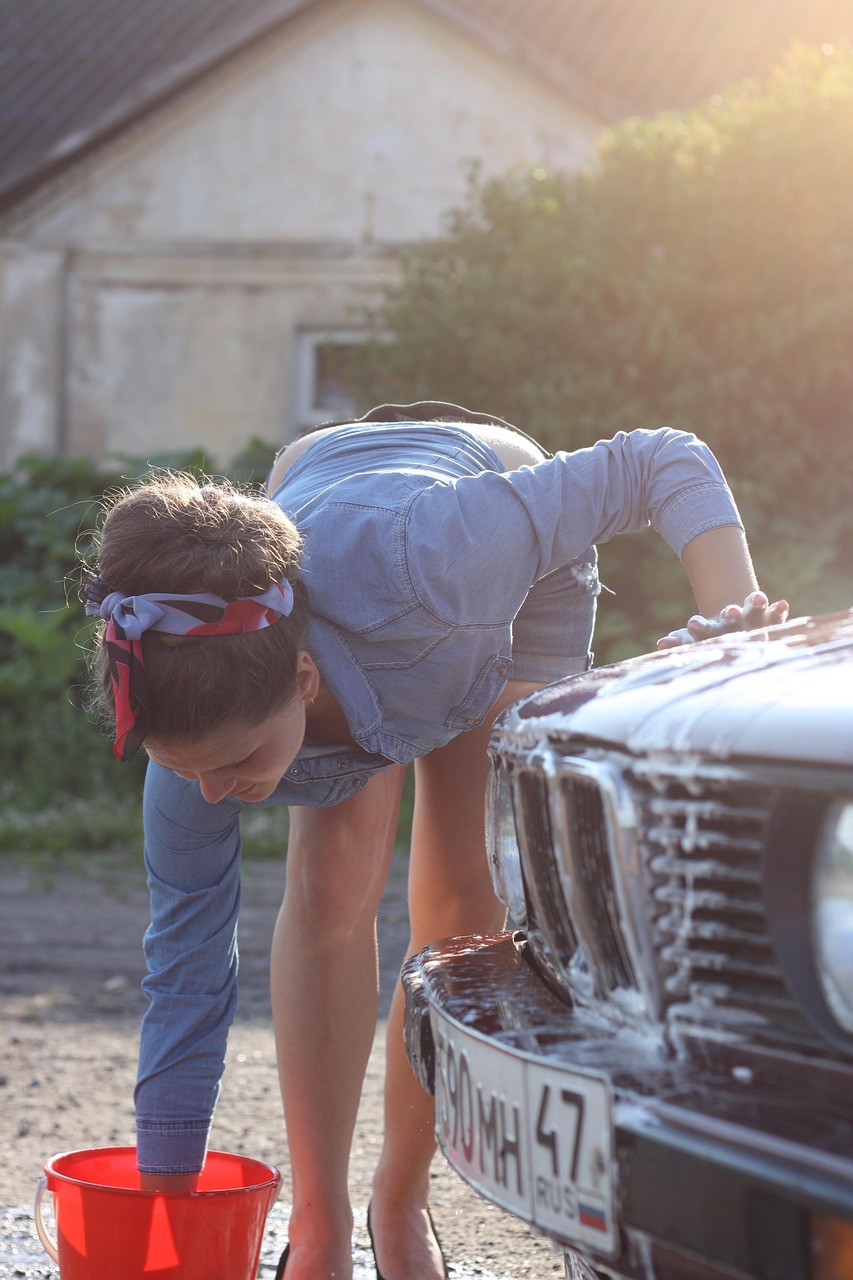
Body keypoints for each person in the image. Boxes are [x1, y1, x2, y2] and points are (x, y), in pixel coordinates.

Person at [82, 402, 788, 1280]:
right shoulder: (193, 742)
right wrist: (165, 1212)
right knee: (333, 884)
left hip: (463, 585)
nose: (216, 794)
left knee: (460, 897)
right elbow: (184, 975)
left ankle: (400, 1197)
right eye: (190, 771)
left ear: (301, 681)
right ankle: (320, 1220)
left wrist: (740, 645)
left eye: (236, 762)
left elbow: (661, 460)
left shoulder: (443, 555)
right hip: (322, 511)